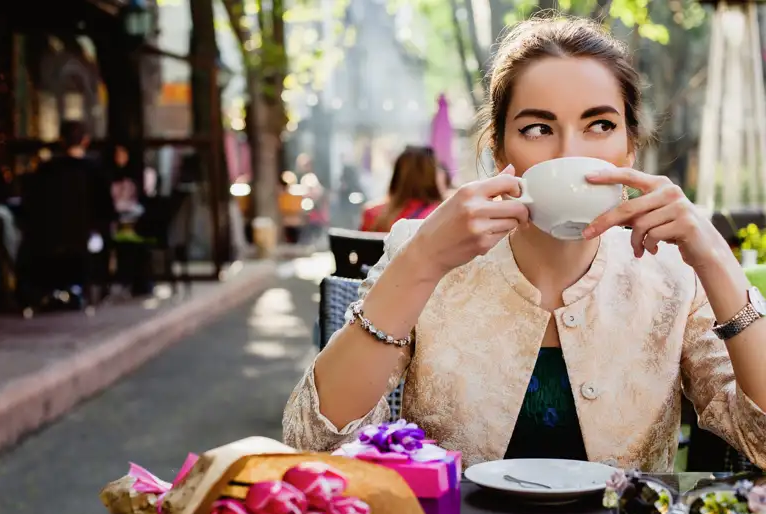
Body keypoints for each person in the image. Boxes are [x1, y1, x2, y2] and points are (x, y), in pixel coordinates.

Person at [283, 16, 766, 470]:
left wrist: (714, 256)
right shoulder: (427, 252)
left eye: (600, 125)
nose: (569, 154)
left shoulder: (674, 274)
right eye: (538, 129)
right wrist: (422, 261)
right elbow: (313, 445)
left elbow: (760, 442)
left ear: (629, 148)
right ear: (499, 149)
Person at [18, 120, 115, 308]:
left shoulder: (45, 171)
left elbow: (30, 208)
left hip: (47, 243)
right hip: (84, 241)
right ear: (85, 141)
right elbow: (107, 212)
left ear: (61, 141)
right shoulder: (95, 171)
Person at [359, 146, 442, 232]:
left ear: (397, 175)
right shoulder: (439, 217)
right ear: (431, 176)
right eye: (438, 168)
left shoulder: (372, 214)